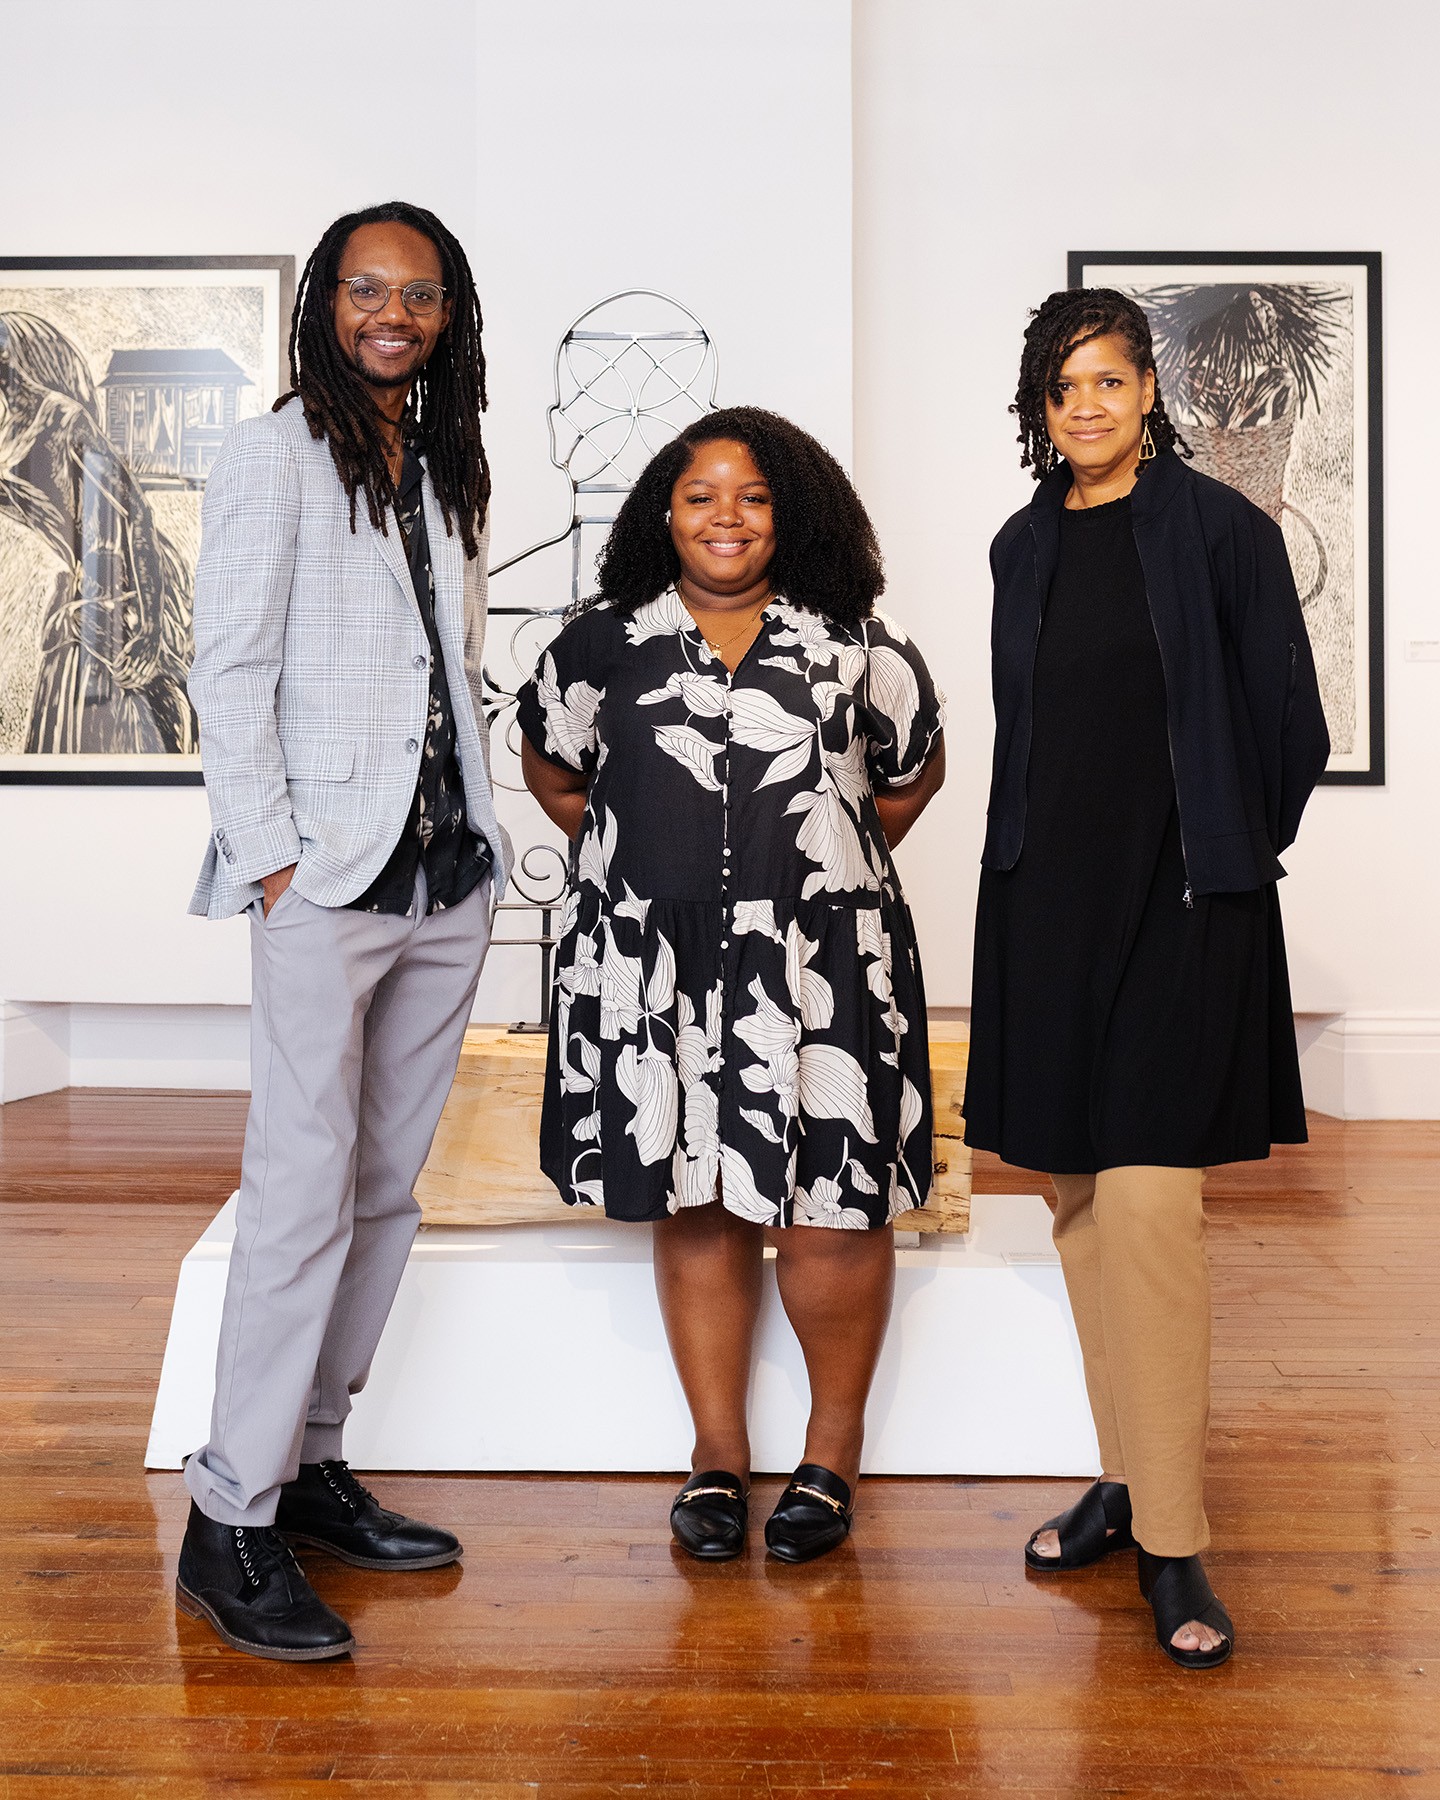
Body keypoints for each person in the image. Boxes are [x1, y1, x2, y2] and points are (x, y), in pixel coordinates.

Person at [964, 289, 1328, 1669]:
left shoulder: (1224, 532)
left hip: (1182, 913)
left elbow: (1290, 723)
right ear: (1040, 409)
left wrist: (1221, 851)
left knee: (1155, 1212)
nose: (1087, 409)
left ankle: (1176, 1540)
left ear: (1150, 393)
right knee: (1080, 1210)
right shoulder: (1020, 546)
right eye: (1063, 389)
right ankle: (1123, 1480)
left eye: (1109, 382)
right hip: (1046, 913)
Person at [517, 407, 945, 1564]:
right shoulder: (598, 643)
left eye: (753, 496)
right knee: (695, 1198)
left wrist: (817, 868)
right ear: (664, 511)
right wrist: (649, 867)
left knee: (828, 1213)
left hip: (823, 969)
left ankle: (831, 1456)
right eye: (701, 495)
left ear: (790, 513)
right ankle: (716, 1456)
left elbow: (908, 778)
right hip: (656, 969)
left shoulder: (861, 645)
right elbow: (556, 772)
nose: (727, 517)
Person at [178, 201, 509, 1660]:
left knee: (384, 1190)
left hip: (445, 877)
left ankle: (308, 1462)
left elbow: (448, 665)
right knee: (299, 1193)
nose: (393, 313)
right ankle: (227, 1516)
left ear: (447, 316)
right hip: (325, 883)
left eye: (418, 294)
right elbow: (228, 669)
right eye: (368, 289)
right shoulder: (274, 455)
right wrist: (271, 865)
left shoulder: (449, 466)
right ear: (327, 304)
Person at [0, 310, 194, 755]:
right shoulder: (7, 433)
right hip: (75, 599)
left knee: (133, 734)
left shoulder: (64, 419)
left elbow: (136, 510)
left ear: (9, 355)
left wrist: (149, 629)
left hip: (121, 592)